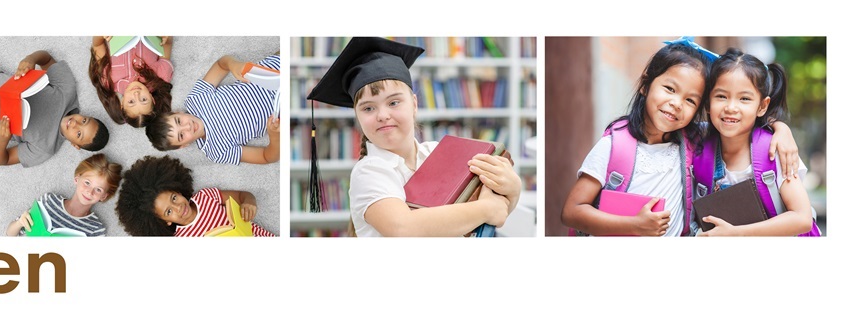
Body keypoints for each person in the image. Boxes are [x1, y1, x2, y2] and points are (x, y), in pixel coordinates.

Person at [560, 38, 799, 236]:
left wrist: (780, 128)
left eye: (690, 100)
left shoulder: (693, 139)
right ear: (646, 84)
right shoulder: (613, 146)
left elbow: (734, 124)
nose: (676, 104)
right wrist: (634, 225)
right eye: (670, 89)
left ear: (699, 108)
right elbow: (571, 212)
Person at [305, 37, 520, 237]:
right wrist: (485, 208)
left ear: (414, 104)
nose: (382, 115)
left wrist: (512, 189)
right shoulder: (369, 171)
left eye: (393, 102)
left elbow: (494, 216)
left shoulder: (439, 152)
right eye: (368, 108)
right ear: (358, 116)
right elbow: (403, 228)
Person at [694, 48, 819, 236]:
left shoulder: (776, 151)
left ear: (762, 106)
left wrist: (736, 233)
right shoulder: (697, 144)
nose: (731, 107)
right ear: (707, 103)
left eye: (744, 99)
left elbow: (802, 218)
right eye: (721, 96)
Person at [145, 54, 281, 165]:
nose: (187, 127)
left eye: (179, 121)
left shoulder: (195, 99)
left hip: (270, 72)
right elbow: (266, 157)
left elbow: (222, 64)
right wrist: (275, 137)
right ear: (183, 146)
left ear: (177, 112)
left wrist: (234, 65)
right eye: (181, 135)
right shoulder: (217, 152)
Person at [0, 50, 110, 167]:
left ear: (75, 145)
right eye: (84, 121)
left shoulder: (44, 149)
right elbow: (47, 59)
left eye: (78, 134)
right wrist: (31, 59)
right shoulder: (67, 92)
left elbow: (1, 160)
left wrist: (1, 141)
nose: (75, 124)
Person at [115, 155, 275, 237]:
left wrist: (249, 202)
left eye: (174, 198)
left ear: (177, 190)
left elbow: (242, 196)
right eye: (169, 212)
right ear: (166, 221)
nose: (178, 207)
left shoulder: (205, 196)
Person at [6, 153, 121, 237]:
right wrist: (19, 223)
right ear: (77, 179)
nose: (89, 192)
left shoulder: (96, 229)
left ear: (103, 197)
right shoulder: (49, 200)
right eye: (87, 183)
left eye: (98, 190)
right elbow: (9, 234)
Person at [89, 36, 174, 127]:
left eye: (131, 101)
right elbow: (167, 43)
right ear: (152, 99)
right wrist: (166, 37)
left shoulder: (108, 80)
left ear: (122, 104)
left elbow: (98, 45)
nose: (136, 94)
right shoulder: (160, 77)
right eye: (143, 99)